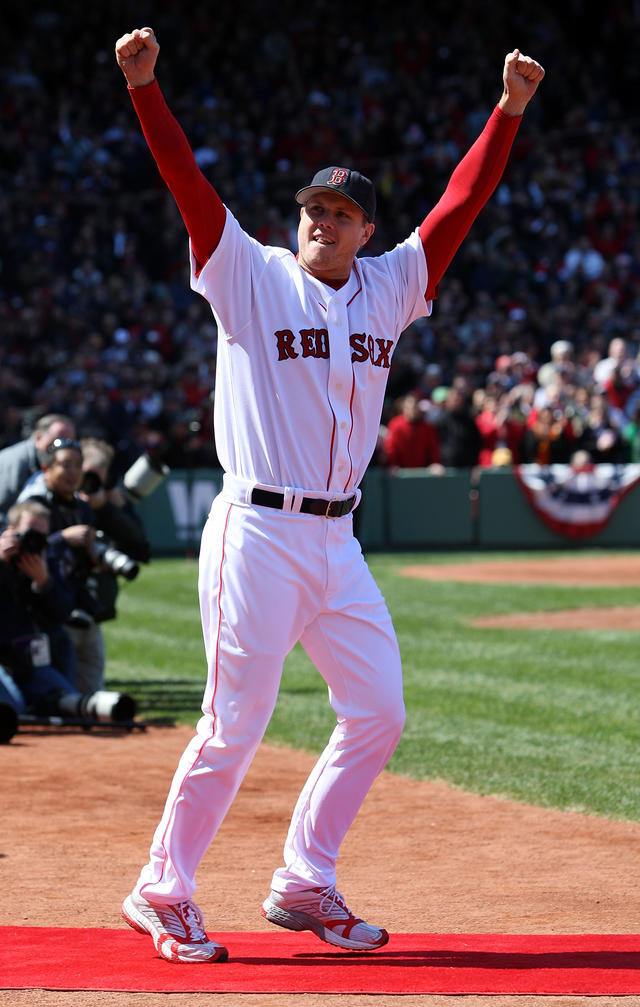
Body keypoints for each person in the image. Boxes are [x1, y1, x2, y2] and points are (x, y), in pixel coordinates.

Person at [114, 26, 544, 964]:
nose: (321, 220)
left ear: (365, 230)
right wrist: (147, 92)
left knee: (380, 710)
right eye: (312, 207)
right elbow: (191, 190)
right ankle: (162, 887)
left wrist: (507, 113)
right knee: (235, 723)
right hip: (258, 528)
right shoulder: (252, 275)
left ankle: (305, 877)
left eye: (340, 212)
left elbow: (459, 207)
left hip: (336, 542)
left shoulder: (391, 287)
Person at [18, 437, 146, 693]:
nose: (72, 472)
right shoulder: (34, 507)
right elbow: (23, 555)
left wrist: (97, 558)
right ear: (46, 469)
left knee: (92, 689)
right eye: (65, 465)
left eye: (78, 465)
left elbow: (137, 541)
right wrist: (63, 538)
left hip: (82, 607)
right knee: (62, 693)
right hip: (48, 614)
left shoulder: (83, 508)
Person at [0, 501, 135, 743]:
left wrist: (44, 583)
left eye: (41, 536)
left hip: (28, 661)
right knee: (13, 709)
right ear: (10, 531)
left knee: (69, 701)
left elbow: (62, 611)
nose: (34, 542)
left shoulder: (45, 560)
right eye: (28, 534)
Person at [0, 414, 76, 528]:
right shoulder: (16, 461)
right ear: (38, 437)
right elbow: (3, 510)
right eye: (58, 441)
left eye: (70, 443)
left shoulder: (51, 463)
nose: (63, 449)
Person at [382, 393, 443, 471]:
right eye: (409, 408)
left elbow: (434, 449)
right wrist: (392, 464)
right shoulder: (395, 425)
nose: (412, 411)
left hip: (422, 471)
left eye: (414, 408)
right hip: (399, 472)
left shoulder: (427, 427)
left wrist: (435, 463)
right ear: (404, 409)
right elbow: (390, 448)